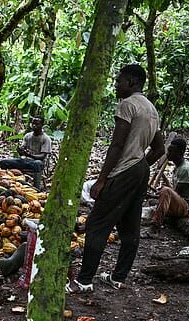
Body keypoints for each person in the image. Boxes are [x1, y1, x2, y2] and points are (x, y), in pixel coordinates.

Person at [66, 64, 165, 293]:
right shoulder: (151, 109)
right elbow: (159, 148)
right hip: (140, 171)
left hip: (124, 172)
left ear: (131, 82)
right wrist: (140, 165)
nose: (116, 85)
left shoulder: (128, 105)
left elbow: (117, 145)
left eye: (119, 81)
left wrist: (102, 180)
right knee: (130, 227)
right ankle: (118, 277)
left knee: (97, 224)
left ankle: (84, 280)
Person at [149, 138, 189, 232]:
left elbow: (176, 193)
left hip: (187, 207)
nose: (168, 154)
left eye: (171, 151)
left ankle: (155, 225)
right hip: (180, 203)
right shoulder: (178, 168)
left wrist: (161, 193)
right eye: (168, 150)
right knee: (153, 201)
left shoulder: (185, 169)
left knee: (165, 191)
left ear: (181, 152)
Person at [0, 116, 52, 190]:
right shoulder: (28, 136)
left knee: (37, 163)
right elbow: (23, 152)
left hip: (37, 162)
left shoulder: (46, 138)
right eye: (33, 124)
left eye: (37, 124)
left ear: (42, 125)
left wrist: (29, 155)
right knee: (3, 162)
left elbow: (42, 156)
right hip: (25, 160)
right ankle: (4, 182)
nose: (34, 126)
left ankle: (36, 188)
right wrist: (20, 151)